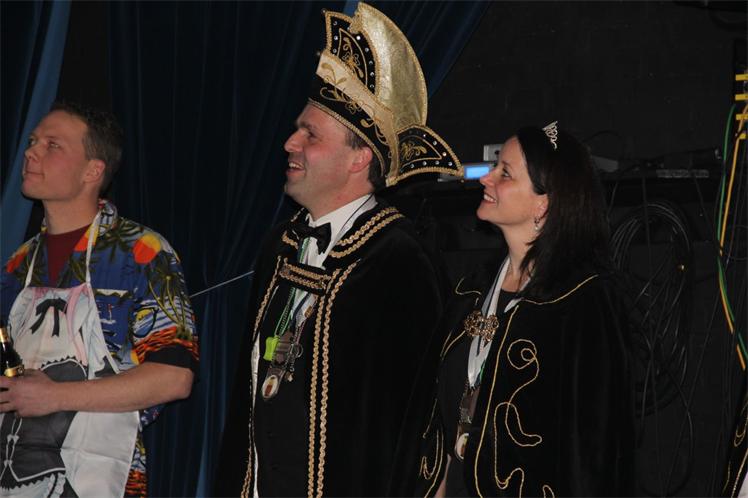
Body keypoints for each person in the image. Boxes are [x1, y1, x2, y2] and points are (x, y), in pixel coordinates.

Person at [214, 3, 462, 497]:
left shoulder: (399, 259)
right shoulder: (280, 245)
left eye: (310, 134)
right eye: (297, 129)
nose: (290, 143)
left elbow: (417, 418)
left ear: (359, 157)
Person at [411, 122, 636, 496]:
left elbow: (594, 450)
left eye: (505, 173)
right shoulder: (472, 289)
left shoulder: (583, 302)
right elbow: (442, 418)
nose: (486, 179)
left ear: (543, 203)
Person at [0, 102, 198, 497]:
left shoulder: (140, 253)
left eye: (52, 145)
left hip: (99, 479)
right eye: (33, 141)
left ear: (93, 171)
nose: (31, 152)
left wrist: (54, 396)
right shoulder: (18, 264)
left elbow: (174, 377)